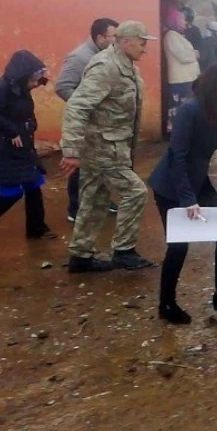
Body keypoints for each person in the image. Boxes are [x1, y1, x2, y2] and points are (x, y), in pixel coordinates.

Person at [148, 62, 217, 324]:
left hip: (198, 180)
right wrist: (188, 199)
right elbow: (178, 156)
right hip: (172, 186)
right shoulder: (190, 110)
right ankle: (167, 304)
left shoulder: (216, 111)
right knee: (178, 247)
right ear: (213, 88)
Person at [60, 21, 157, 273]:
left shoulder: (127, 66)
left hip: (113, 145)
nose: (145, 48)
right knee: (135, 192)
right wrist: (70, 150)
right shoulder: (106, 67)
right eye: (142, 42)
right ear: (126, 42)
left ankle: (80, 256)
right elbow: (77, 106)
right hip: (104, 148)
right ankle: (124, 251)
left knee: (95, 199)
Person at [0, 51, 55, 241]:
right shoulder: (2, 88)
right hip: (5, 149)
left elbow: (23, 112)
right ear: (23, 76)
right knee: (12, 193)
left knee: (33, 185)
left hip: (23, 146)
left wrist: (30, 126)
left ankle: (36, 229)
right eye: (33, 80)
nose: (35, 84)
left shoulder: (20, 88)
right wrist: (12, 131)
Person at [55, 18, 119, 222]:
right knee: (79, 165)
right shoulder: (79, 57)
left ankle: (101, 200)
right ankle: (75, 208)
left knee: (102, 162)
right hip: (85, 122)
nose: (116, 42)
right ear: (100, 38)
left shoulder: (107, 56)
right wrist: (86, 106)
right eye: (113, 37)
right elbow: (62, 86)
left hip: (103, 123)